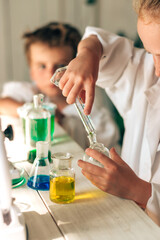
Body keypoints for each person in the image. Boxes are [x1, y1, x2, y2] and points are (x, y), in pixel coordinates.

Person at [56, 0, 160, 225]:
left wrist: (140, 191)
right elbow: (100, 43)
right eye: (151, 52)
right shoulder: (147, 73)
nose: (157, 68)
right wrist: (87, 55)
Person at [0, 22, 120, 150]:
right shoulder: (29, 92)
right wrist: (39, 113)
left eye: (60, 65)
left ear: (77, 67)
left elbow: (108, 147)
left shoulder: (90, 107)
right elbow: (2, 104)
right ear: (31, 72)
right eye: (42, 66)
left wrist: (67, 123)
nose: (51, 75)